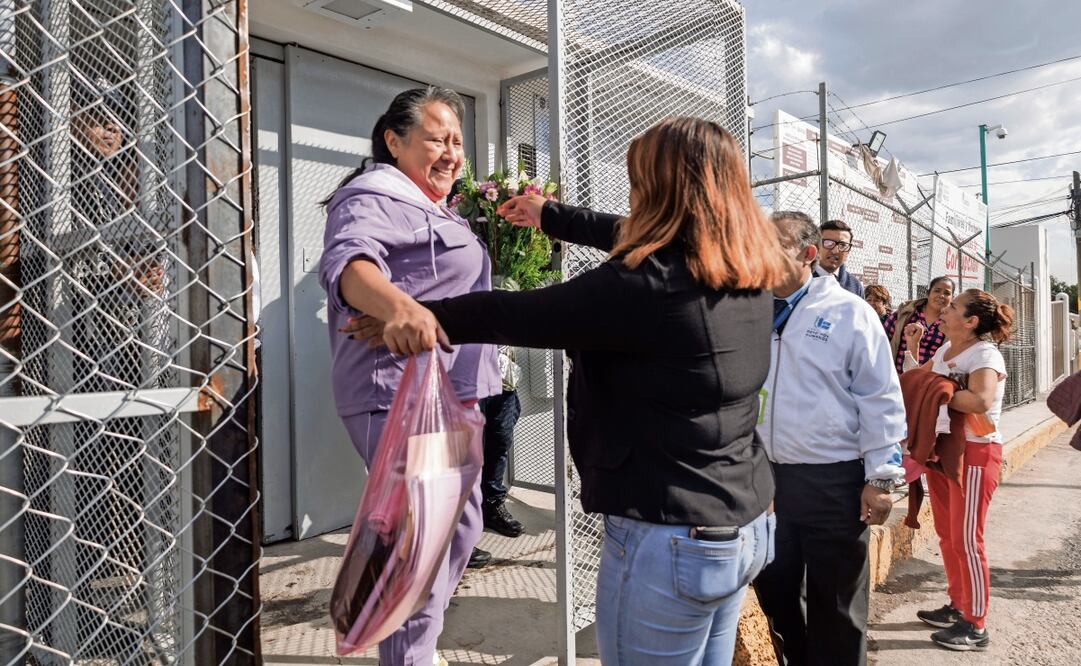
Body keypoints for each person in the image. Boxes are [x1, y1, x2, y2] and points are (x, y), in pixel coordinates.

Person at [349, 117, 788, 664]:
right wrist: (550, 215)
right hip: (743, 523)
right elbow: (636, 231)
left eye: (639, 180)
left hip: (669, 537)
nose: (632, 192)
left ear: (660, 190)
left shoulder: (645, 286)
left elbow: (512, 313)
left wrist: (412, 314)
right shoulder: (744, 271)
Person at [318, 86, 501, 666]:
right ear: (394, 141)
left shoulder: (434, 206)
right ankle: (409, 650)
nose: (451, 152)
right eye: (436, 139)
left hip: (449, 397)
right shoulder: (372, 195)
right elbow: (350, 263)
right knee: (420, 546)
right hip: (399, 398)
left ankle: (412, 642)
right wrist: (394, 307)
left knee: (459, 528)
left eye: (456, 141)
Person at [754, 211, 906, 666]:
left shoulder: (849, 312)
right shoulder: (748, 310)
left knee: (837, 606)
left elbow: (879, 395)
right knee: (775, 592)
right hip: (766, 484)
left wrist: (880, 478)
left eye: (774, 243)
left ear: (808, 253)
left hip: (835, 483)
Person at [901, 289, 1013, 651]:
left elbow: (980, 399)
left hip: (976, 455)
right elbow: (920, 381)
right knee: (949, 536)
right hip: (945, 453)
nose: (944, 310)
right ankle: (957, 605)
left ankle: (976, 624)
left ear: (971, 322)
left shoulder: (984, 353)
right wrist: (915, 352)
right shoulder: (944, 351)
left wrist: (940, 387)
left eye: (952, 307)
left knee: (968, 540)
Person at [477, 348, 525, 537]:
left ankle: (492, 506)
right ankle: (462, 523)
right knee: (467, 452)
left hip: (502, 378)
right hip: (468, 378)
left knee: (500, 442)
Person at [884, 276, 955, 374]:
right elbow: (883, 340)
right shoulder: (905, 314)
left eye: (947, 293)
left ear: (952, 298)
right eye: (937, 291)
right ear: (928, 293)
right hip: (897, 378)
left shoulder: (951, 324)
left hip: (929, 382)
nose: (941, 296)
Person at [815, 219, 864, 297]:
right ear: (816, 245)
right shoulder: (800, 281)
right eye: (828, 243)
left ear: (848, 251)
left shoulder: (855, 286)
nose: (835, 251)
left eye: (842, 245)